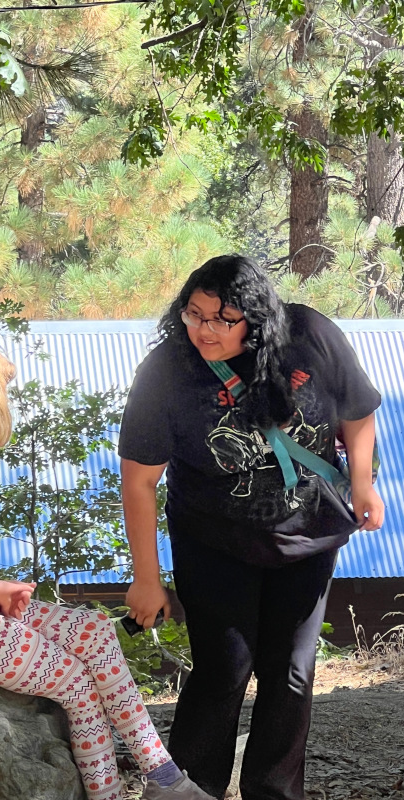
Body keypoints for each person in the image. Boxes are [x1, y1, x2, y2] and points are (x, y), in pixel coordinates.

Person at [0, 340, 215, 800]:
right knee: (75, 681)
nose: (5, 404)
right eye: (1, 392)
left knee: (93, 629)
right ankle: (117, 792)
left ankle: (164, 776)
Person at [118, 255, 385, 800]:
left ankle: (275, 791)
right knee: (224, 671)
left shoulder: (310, 334)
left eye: (223, 319)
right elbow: (139, 481)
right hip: (215, 540)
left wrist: (363, 481)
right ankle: (191, 789)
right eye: (195, 315)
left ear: (257, 321)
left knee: (291, 674)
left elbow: (357, 410)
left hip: (306, 536)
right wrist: (146, 578)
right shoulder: (169, 370)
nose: (205, 330)